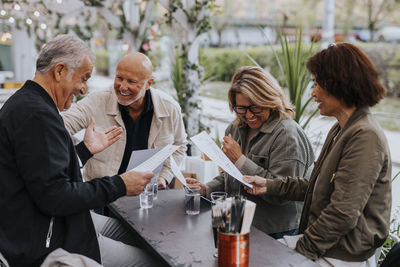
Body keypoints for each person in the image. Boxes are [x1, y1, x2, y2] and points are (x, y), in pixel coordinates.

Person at [0, 35, 158, 267]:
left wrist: (84, 151)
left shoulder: (28, 104)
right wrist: (120, 185)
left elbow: (40, 170)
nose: (84, 88)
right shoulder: (37, 115)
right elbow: (55, 196)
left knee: (138, 237)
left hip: (59, 223)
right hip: (49, 243)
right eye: (83, 78)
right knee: (151, 260)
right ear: (60, 71)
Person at [244, 43, 391, 266]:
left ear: (339, 83)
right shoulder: (342, 128)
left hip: (342, 255)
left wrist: (300, 250)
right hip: (325, 246)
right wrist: (269, 185)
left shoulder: (365, 136)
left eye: (317, 83)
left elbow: (342, 212)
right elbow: (317, 186)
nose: (313, 93)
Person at [187, 66, 315, 238]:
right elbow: (231, 176)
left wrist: (240, 160)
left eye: (255, 107)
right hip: (231, 217)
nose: (248, 115)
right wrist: (205, 189)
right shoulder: (234, 128)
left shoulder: (286, 134)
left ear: (269, 100)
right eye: (241, 108)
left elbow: (283, 195)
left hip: (270, 231)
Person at [62, 52, 187, 190]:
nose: (122, 87)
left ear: (148, 84)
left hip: (149, 193)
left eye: (131, 81)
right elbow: (60, 126)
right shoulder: (96, 101)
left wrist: (164, 177)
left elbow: (179, 146)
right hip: (106, 196)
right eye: (119, 78)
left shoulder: (169, 108)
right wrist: (81, 150)